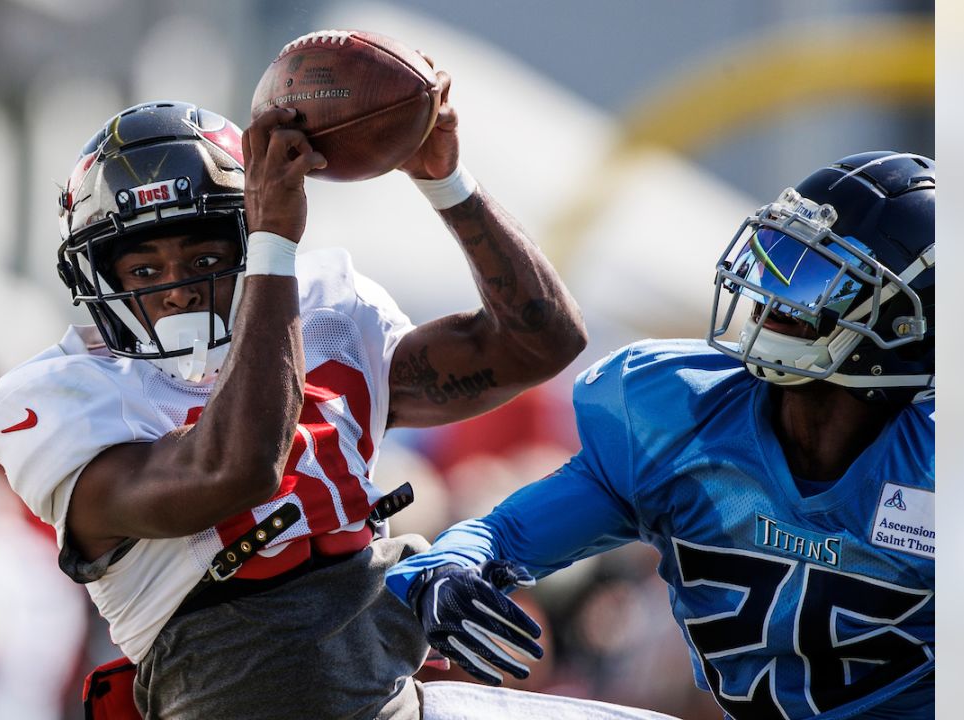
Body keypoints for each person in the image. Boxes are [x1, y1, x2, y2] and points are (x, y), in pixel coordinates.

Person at [0, 57, 599, 719]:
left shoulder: (326, 319)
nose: (178, 285)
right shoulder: (67, 398)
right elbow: (238, 470)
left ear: (242, 250)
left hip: (389, 699)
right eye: (146, 266)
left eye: (205, 258)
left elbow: (544, 341)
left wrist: (444, 179)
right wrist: (274, 243)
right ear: (101, 279)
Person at [387, 151, 936, 720]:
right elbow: (502, 538)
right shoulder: (682, 417)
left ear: (908, 323)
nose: (776, 296)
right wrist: (448, 567)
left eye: (819, 278)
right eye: (777, 260)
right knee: (433, 713)